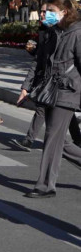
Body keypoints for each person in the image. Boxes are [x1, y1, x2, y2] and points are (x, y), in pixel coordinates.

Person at [22, 0, 81, 198]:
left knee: (52, 137)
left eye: (51, 11)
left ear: (64, 12)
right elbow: (39, 63)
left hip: (67, 91)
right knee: (60, 141)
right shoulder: (51, 32)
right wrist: (27, 86)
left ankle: (46, 185)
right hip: (49, 91)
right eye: (46, 11)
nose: (46, 14)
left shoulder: (77, 33)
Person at [12, 10, 81, 151]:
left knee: (53, 109)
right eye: (42, 12)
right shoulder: (47, 33)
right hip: (48, 81)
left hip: (65, 84)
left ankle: (30, 140)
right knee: (45, 107)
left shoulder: (73, 33)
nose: (42, 15)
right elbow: (38, 61)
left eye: (46, 12)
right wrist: (26, 87)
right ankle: (30, 139)